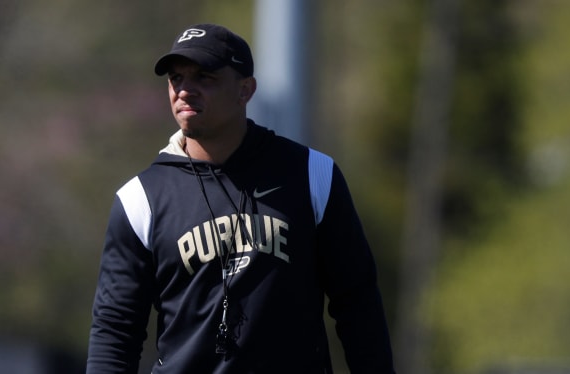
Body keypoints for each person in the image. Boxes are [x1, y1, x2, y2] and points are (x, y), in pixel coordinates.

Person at [86, 23, 395, 373]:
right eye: (176, 78)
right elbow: (115, 332)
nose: (185, 90)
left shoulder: (313, 175)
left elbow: (357, 302)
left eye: (205, 77)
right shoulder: (140, 200)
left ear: (245, 89)